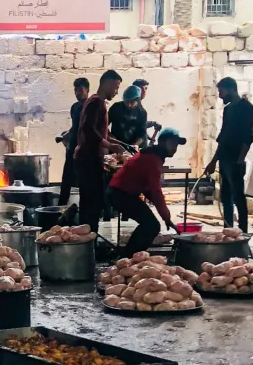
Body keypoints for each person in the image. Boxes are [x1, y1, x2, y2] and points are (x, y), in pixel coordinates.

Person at [108, 128, 186, 256]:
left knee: (150, 224)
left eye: (176, 145)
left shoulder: (153, 155)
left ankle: (129, 256)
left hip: (121, 193)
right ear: (162, 142)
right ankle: (129, 258)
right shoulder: (152, 159)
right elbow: (155, 190)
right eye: (172, 143)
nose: (175, 148)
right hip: (120, 194)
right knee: (152, 225)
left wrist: (166, 217)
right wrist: (165, 216)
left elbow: (148, 189)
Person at [75, 70, 125, 234]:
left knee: (91, 203)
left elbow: (99, 130)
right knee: (91, 204)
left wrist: (115, 142)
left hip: (89, 159)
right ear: (108, 83)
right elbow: (88, 129)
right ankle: (89, 240)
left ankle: (88, 238)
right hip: (89, 160)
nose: (116, 92)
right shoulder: (97, 102)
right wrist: (110, 146)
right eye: (116, 88)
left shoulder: (94, 102)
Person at [203, 77, 253, 233]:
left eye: (221, 91)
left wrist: (240, 161)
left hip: (235, 159)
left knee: (238, 198)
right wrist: (213, 161)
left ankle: (243, 232)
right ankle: (228, 230)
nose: (220, 95)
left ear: (231, 89)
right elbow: (223, 138)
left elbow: (248, 137)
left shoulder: (246, 108)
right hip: (225, 158)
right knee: (226, 198)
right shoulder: (228, 109)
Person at [58, 77, 89, 206]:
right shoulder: (74, 107)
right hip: (72, 149)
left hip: (84, 151)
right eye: (75, 90)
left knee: (83, 183)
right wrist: (66, 135)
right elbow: (75, 127)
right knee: (66, 182)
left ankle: (84, 212)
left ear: (87, 90)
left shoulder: (90, 107)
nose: (77, 93)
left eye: (80, 90)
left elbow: (88, 129)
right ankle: (59, 211)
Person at [131, 78, 162, 144]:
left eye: (146, 89)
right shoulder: (131, 105)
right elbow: (133, 124)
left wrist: (147, 136)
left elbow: (140, 126)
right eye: (142, 88)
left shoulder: (140, 108)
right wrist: (153, 123)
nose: (144, 91)